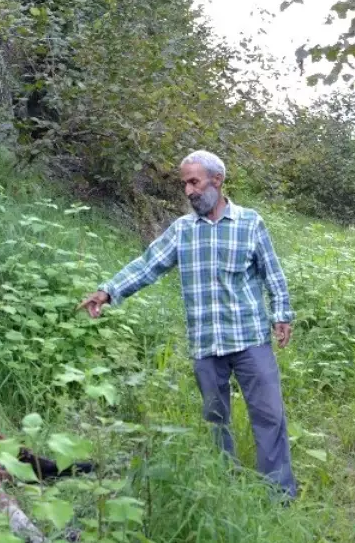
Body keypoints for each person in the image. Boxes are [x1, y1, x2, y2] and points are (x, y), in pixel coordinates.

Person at [78, 150, 298, 499]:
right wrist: (107, 292)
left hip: (250, 338)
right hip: (206, 344)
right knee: (216, 420)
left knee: (269, 416)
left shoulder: (250, 223)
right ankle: (224, 489)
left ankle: (280, 495)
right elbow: (146, 265)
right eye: (184, 184)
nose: (189, 191)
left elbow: (273, 273)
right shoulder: (182, 231)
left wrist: (282, 314)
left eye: (194, 181)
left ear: (217, 180)